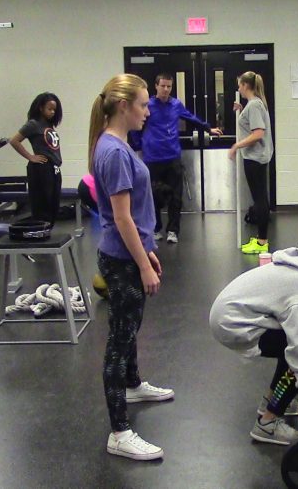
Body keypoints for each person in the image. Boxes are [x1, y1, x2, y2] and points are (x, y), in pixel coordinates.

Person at [88, 74, 175, 461]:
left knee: (128, 327)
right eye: (142, 104)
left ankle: (133, 383)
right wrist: (143, 264)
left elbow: (130, 219)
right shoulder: (115, 152)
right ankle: (119, 431)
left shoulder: (115, 144)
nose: (147, 111)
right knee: (118, 342)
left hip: (127, 252)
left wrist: (148, 248)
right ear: (123, 106)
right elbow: (122, 219)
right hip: (123, 259)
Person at [209, 217, 298, 445]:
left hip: (228, 314)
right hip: (233, 324)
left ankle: (272, 401)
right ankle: (267, 424)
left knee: (292, 348)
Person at [133, 73, 221, 244]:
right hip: (152, 158)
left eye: (169, 86)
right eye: (163, 86)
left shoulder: (176, 104)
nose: (166, 89)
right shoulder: (148, 105)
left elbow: (191, 118)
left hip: (172, 156)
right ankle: (156, 228)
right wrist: (138, 145)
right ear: (156, 86)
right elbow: (136, 126)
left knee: (176, 197)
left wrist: (208, 129)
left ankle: (173, 230)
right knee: (151, 196)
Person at [228, 71, 274, 254]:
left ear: (246, 86)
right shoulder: (254, 104)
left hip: (255, 158)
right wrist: (241, 109)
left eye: (240, 85)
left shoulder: (254, 105)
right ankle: (261, 239)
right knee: (260, 198)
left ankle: (262, 242)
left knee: (260, 199)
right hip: (257, 157)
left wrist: (236, 145)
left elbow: (258, 133)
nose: (238, 88)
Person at [9, 92, 63, 225]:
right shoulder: (33, 124)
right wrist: (30, 157)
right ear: (41, 108)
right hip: (41, 168)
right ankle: (41, 232)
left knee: (53, 204)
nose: (52, 112)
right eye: (49, 109)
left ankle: (48, 230)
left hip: (53, 168)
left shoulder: (48, 125)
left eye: (54, 110)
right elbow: (14, 140)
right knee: (42, 206)